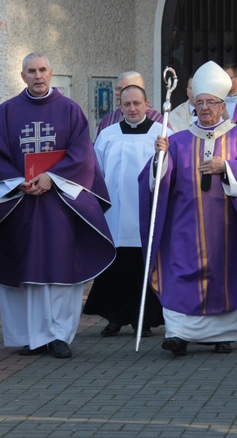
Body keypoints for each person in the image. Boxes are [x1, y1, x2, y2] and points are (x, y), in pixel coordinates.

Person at [141, 60, 237, 356]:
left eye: (212, 103)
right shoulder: (177, 140)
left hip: (229, 226)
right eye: (200, 102)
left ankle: (224, 335)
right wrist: (160, 160)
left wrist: (228, 167)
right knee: (180, 272)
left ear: (222, 105)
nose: (205, 108)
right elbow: (155, 184)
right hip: (185, 225)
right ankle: (178, 334)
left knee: (227, 274)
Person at [0, 53, 116, 359]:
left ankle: (58, 336)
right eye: (31, 71)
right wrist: (18, 182)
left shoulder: (70, 110)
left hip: (59, 205)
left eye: (43, 70)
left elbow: (83, 155)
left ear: (51, 73)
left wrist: (52, 178)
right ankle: (31, 337)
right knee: (25, 270)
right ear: (23, 75)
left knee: (60, 269)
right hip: (21, 203)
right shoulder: (5, 112)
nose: (38, 75)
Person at [84, 85, 165, 337]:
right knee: (117, 265)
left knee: (144, 265)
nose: (132, 109)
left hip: (147, 211)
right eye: (127, 104)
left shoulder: (162, 134)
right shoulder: (108, 135)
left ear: (147, 104)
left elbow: (170, 172)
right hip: (116, 213)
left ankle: (146, 318)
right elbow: (95, 173)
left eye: (137, 103)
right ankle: (114, 317)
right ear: (119, 106)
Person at [95, 71, 163, 135]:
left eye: (121, 89)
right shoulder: (108, 120)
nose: (116, 93)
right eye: (117, 89)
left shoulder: (158, 120)